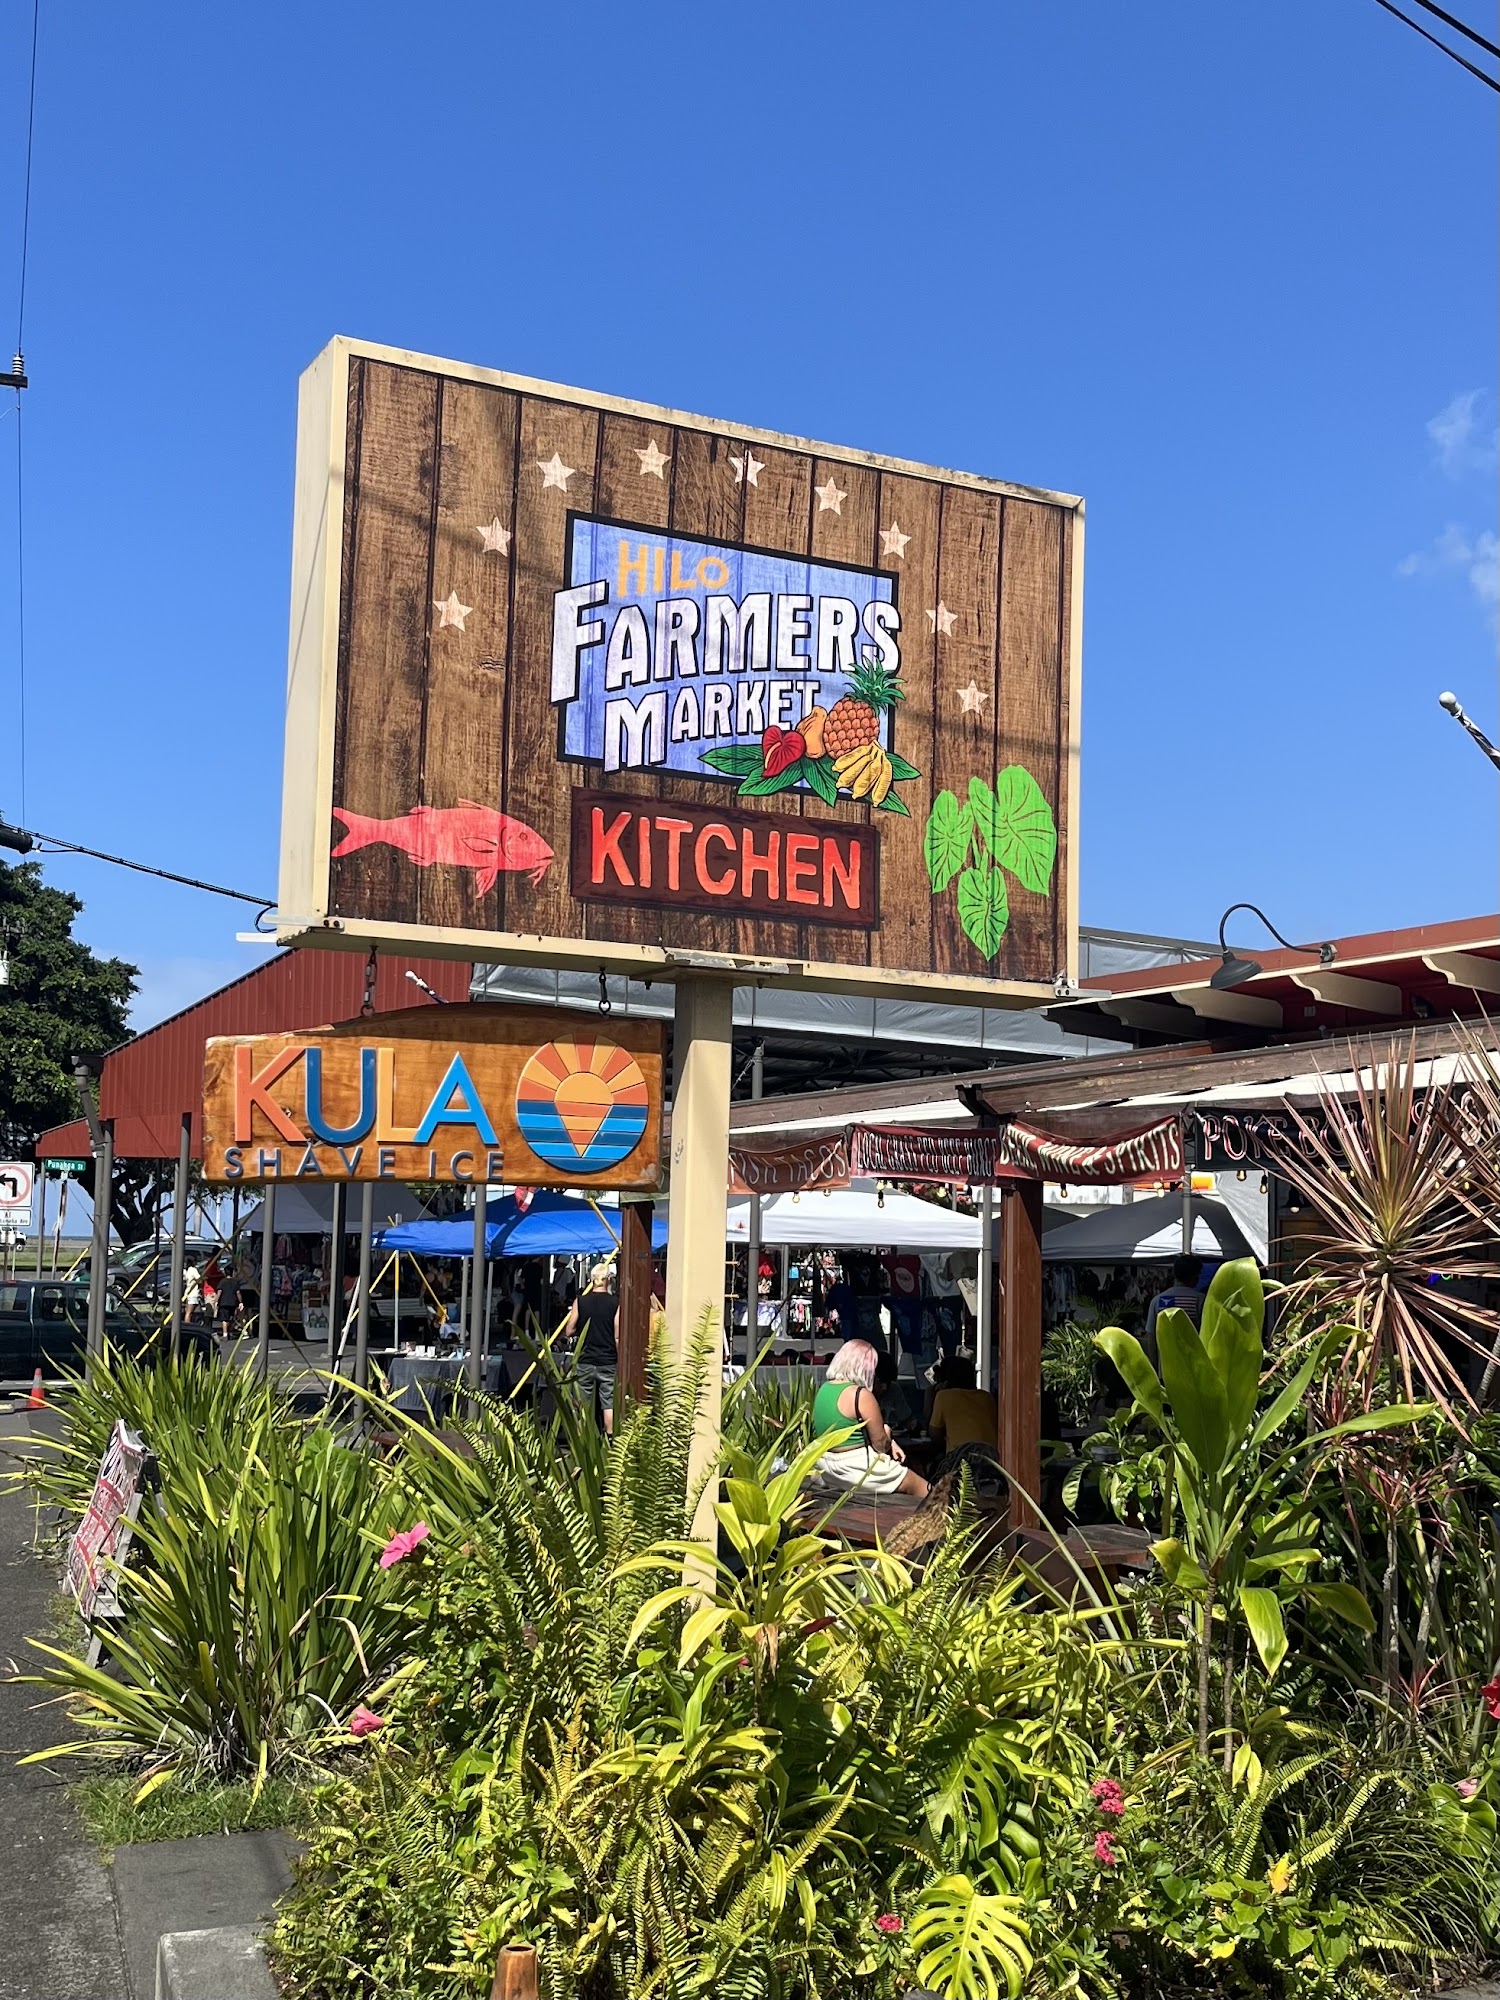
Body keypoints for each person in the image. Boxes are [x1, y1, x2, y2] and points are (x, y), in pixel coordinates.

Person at [812, 1339, 928, 1498]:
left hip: (829, 1468)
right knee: (924, 1488)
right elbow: (881, 1445)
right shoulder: (860, 1394)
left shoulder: (824, 1390)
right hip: (857, 1468)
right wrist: (887, 1432)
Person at [563, 1263, 619, 1432]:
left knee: (582, 1403)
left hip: (585, 1358)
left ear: (591, 1280)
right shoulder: (616, 1303)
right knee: (608, 1402)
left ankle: (583, 1441)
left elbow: (569, 1330)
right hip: (608, 1359)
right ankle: (610, 1439)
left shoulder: (580, 1301)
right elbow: (617, 1335)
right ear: (608, 1280)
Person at [928, 1352, 998, 1455]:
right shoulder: (986, 1397)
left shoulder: (944, 1396)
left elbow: (934, 1435)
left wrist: (930, 1394)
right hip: (990, 1458)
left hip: (960, 1459)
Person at [1144, 1254, 1207, 1365]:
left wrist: (1154, 1364)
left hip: (1165, 1369)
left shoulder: (1157, 1301)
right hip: (1195, 1368)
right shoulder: (1201, 1300)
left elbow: (1151, 1337)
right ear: (1195, 1276)